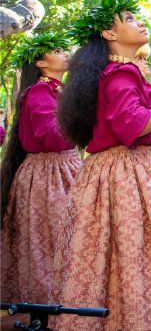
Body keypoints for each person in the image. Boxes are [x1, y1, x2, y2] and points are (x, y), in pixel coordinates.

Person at [54, 0, 151, 330]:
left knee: (123, 255)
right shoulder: (120, 73)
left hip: (123, 168)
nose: (139, 21)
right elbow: (131, 124)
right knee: (141, 251)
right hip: (125, 173)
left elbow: (146, 129)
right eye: (129, 18)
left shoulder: (115, 73)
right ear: (109, 34)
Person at [0, 33, 81, 304]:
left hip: (64, 169)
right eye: (57, 50)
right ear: (41, 64)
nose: (64, 52)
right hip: (49, 177)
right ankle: (49, 307)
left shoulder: (57, 90)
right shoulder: (38, 92)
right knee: (51, 243)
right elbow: (51, 136)